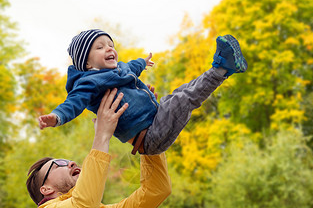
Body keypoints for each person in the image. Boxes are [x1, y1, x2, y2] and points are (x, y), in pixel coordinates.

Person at [27, 89, 171, 208]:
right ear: (45, 189)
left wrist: (145, 135)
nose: (70, 162)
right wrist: (102, 134)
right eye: (57, 165)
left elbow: (157, 189)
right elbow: (85, 204)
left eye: (68, 160)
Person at [38, 29, 248, 155]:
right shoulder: (89, 83)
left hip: (156, 115)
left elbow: (132, 66)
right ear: (86, 63)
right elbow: (73, 103)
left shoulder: (119, 69)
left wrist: (144, 62)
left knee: (181, 92)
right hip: (149, 137)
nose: (109, 49)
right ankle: (222, 68)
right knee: (185, 98)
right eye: (100, 47)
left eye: (111, 45)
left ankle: (223, 67)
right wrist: (56, 117)